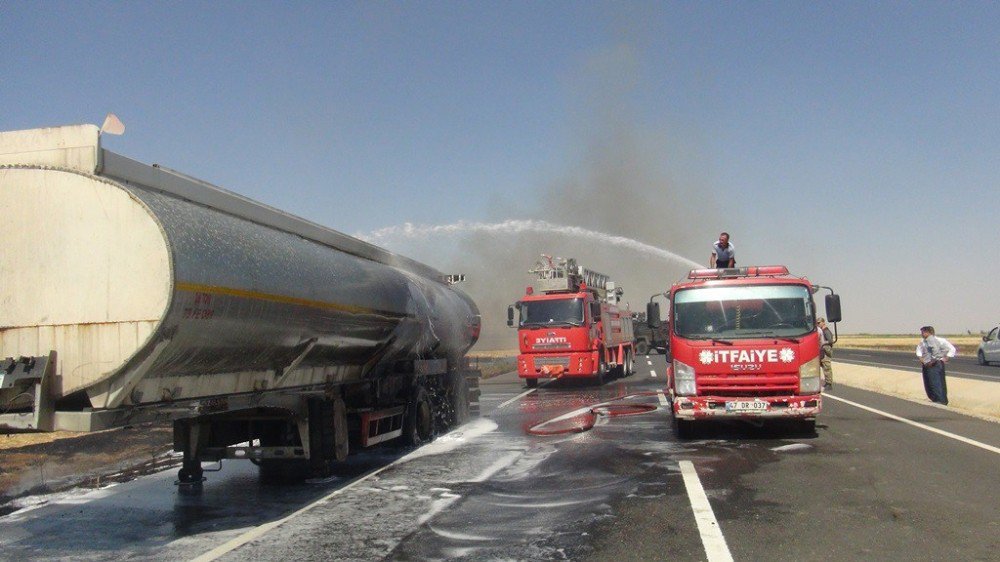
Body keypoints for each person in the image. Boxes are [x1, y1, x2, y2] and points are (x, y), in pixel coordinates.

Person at [915, 325, 955, 405]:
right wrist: (921, 359)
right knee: (929, 383)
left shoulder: (936, 340)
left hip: (934, 364)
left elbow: (950, 349)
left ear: (928, 332)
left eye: (923, 332)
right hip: (928, 364)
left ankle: (940, 400)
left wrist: (944, 358)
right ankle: (937, 399)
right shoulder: (923, 341)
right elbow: (919, 350)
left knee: (935, 382)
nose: (921, 334)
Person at [817, 318, 834, 388]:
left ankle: (829, 383)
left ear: (823, 322)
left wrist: (823, 343)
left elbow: (830, 341)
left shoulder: (826, 331)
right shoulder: (822, 331)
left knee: (827, 367)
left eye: (819, 323)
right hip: (823, 351)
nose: (818, 324)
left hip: (826, 351)